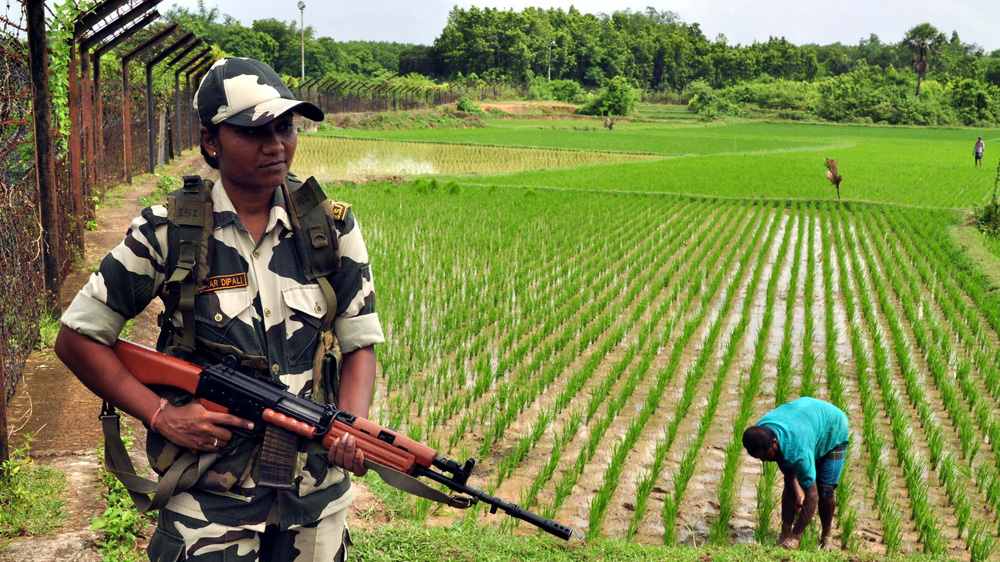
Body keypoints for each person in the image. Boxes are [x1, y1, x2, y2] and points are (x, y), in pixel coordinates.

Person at [55, 57, 384, 561]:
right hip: (209, 497)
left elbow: (359, 342)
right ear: (212, 141)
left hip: (314, 497)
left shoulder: (330, 229)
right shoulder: (170, 232)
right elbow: (78, 336)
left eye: (285, 127)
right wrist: (161, 414)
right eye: (255, 132)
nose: (276, 145)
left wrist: (351, 429)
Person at [742, 397, 849, 551]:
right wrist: (798, 493)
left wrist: (796, 537)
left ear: (775, 442)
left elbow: (813, 496)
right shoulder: (760, 432)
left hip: (834, 427)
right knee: (791, 486)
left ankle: (826, 536)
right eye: (760, 458)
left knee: (825, 489)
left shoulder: (797, 450)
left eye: (766, 456)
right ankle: (784, 533)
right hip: (806, 422)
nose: (764, 461)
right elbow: (786, 467)